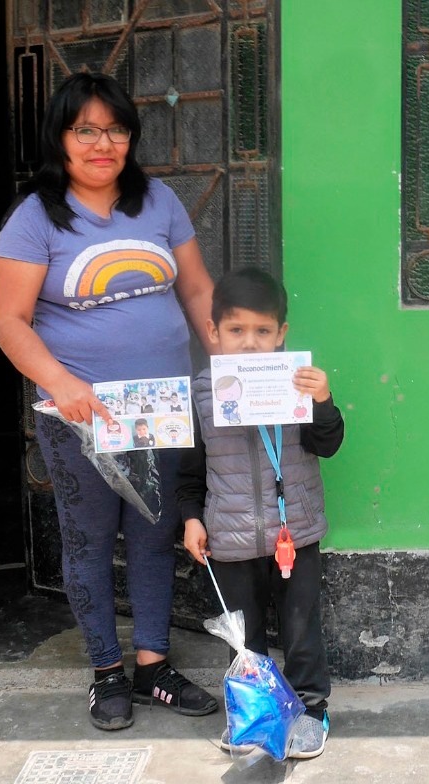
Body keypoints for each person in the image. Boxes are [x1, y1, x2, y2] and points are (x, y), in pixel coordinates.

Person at [0, 71, 218, 731]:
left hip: (160, 405)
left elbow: (198, 290)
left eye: (115, 129)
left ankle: (152, 666)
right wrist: (61, 383)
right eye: (84, 129)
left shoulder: (160, 203)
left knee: (153, 535)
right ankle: (105, 673)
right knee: (88, 539)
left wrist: (231, 360)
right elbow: (9, 320)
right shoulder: (35, 217)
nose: (102, 143)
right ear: (60, 137)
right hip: (79, 415)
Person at [179, 266, 345, 760]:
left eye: (262, 331)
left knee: (301, 631)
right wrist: (191, 517)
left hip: (296, 535)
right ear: (213, 332)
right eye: (236, 330)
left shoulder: (295, 384)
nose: (249, 343)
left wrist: (322, 401)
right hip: (228, 541)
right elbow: (189, 471)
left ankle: (312, 710)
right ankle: (255, 715)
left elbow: (328, 445)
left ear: (281, 335)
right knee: (244, 639)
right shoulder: (202, 395)